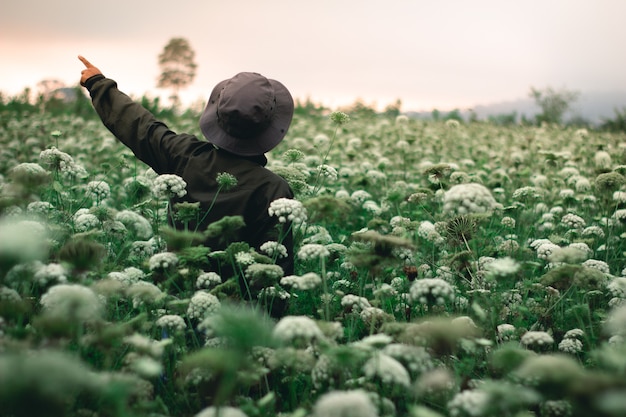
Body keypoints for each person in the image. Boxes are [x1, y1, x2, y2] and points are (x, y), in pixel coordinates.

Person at [78, 55, 295, 279]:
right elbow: (275, 272)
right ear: (271, 126)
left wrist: (98, 84)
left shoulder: (184, 155)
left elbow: (140, 127)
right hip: (234, 307)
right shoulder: (274, 190)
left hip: (175, 290)